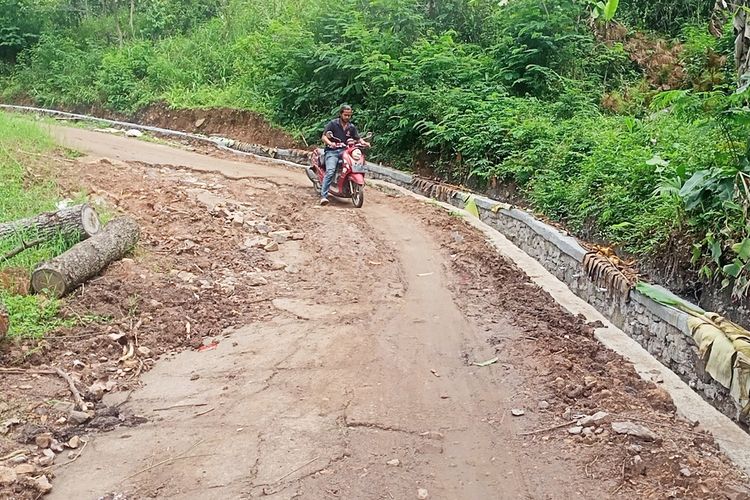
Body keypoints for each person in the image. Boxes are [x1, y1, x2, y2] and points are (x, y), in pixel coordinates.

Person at [319, 105, 369, 205]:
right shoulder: (333, 124)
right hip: (332, 151)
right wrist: (330, 143)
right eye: (345, 115)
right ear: (341, 114)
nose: (347, 117)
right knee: (331, 171)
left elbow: (357, 138)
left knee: (355, 165)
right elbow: (324, 137)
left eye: (349, 115)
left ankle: (349, 185)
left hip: (345, 151)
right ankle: (324, 196)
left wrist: (364, 142)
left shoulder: (351, 127)